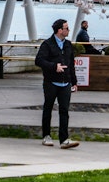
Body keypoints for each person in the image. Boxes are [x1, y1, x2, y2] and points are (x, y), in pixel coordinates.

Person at [34, 19, 79, 149]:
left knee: (64, 110)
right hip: (51, 82)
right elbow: (39, 60)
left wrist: (74, 82)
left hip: (66, 83)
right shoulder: (47, 44)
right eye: (66, 28)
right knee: (48, 108)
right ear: (60, 30)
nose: (68, 30)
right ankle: (46, 136)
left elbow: (71, 65)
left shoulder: (68, 45)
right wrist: (54, 66)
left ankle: (64, 139)